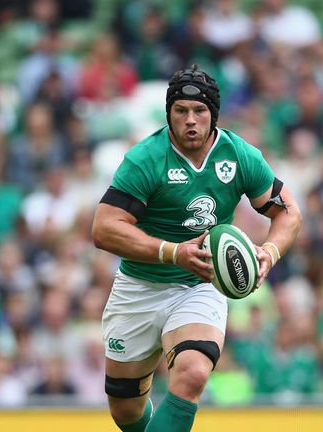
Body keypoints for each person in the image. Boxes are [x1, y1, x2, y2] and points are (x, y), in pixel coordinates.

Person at [91, 64, 301, 432]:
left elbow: (288, 212)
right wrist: (173, 252)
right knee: (125, 410)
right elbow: (104, 229)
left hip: (199, 285)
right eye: (181, 110)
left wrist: (269, 253)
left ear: (213, 115)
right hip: (139, 286)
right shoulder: (145, 159)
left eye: (200, 111)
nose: (190, 120)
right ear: (169, 114)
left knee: (194, 373)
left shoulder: (239, 156)